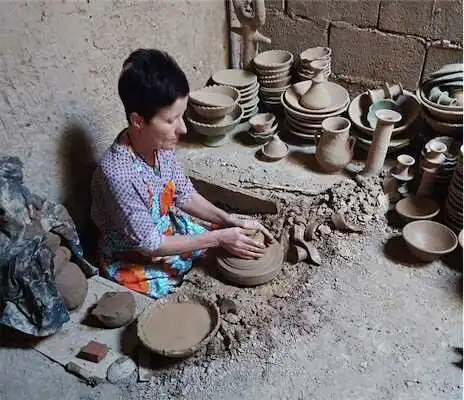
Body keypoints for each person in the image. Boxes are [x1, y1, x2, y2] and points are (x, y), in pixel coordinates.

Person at [91, 48, 273, 299]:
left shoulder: (158, 145)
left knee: (219, 233)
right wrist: (218, 238)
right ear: (138, 121)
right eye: (171, 120)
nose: (183, 128)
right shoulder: (118, 175)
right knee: (168, 284)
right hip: (133, 254)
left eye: (181, 116)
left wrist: (228, 220)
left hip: (164, 228)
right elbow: (151, 245)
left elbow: (184, 194)